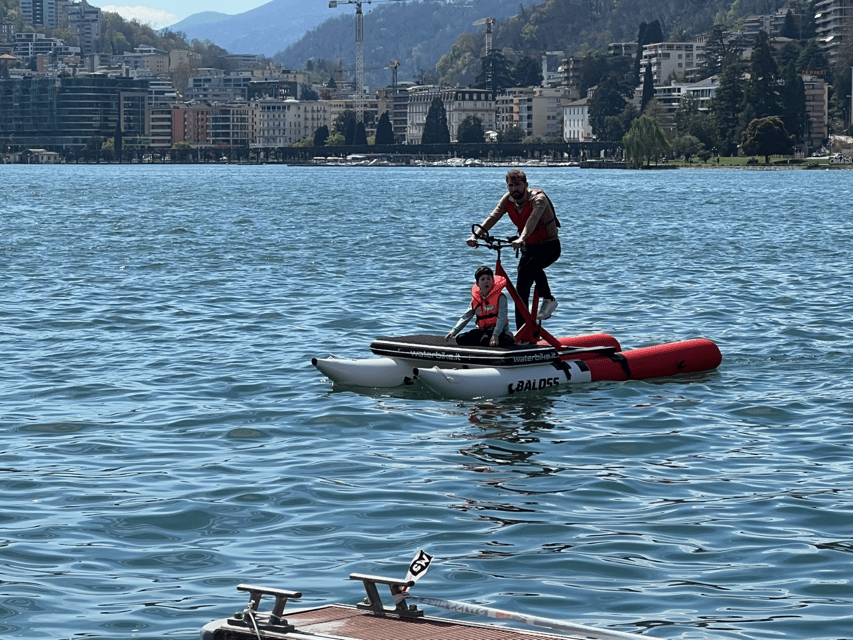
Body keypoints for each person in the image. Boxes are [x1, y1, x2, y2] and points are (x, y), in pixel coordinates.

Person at [467, 169, 560, 330]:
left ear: (526, 185)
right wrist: (476, 236)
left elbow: (532, 221)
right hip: (528, 248)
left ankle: (548, 299)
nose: (513, 189)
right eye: (510, 185)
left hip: (549, 247)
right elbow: (493, 217)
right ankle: (522, 332)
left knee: (532, 265)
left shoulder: (538, 199)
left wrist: (521, 238)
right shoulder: (508, 200)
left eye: (517, 185)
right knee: (520, 291)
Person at [445, 265, 515, 348]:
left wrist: (495, 335)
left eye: (489, 279)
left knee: (486, 340)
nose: (486, 281)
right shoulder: (476, 299)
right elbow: (466, 316)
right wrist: (453, 331)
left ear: (493, 281)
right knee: (460, 338)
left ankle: (503, 338)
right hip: (483, 331)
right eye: (483, 279)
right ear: (478, 283)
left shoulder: (501, 297)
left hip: (500, 332)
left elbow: (502, 318)